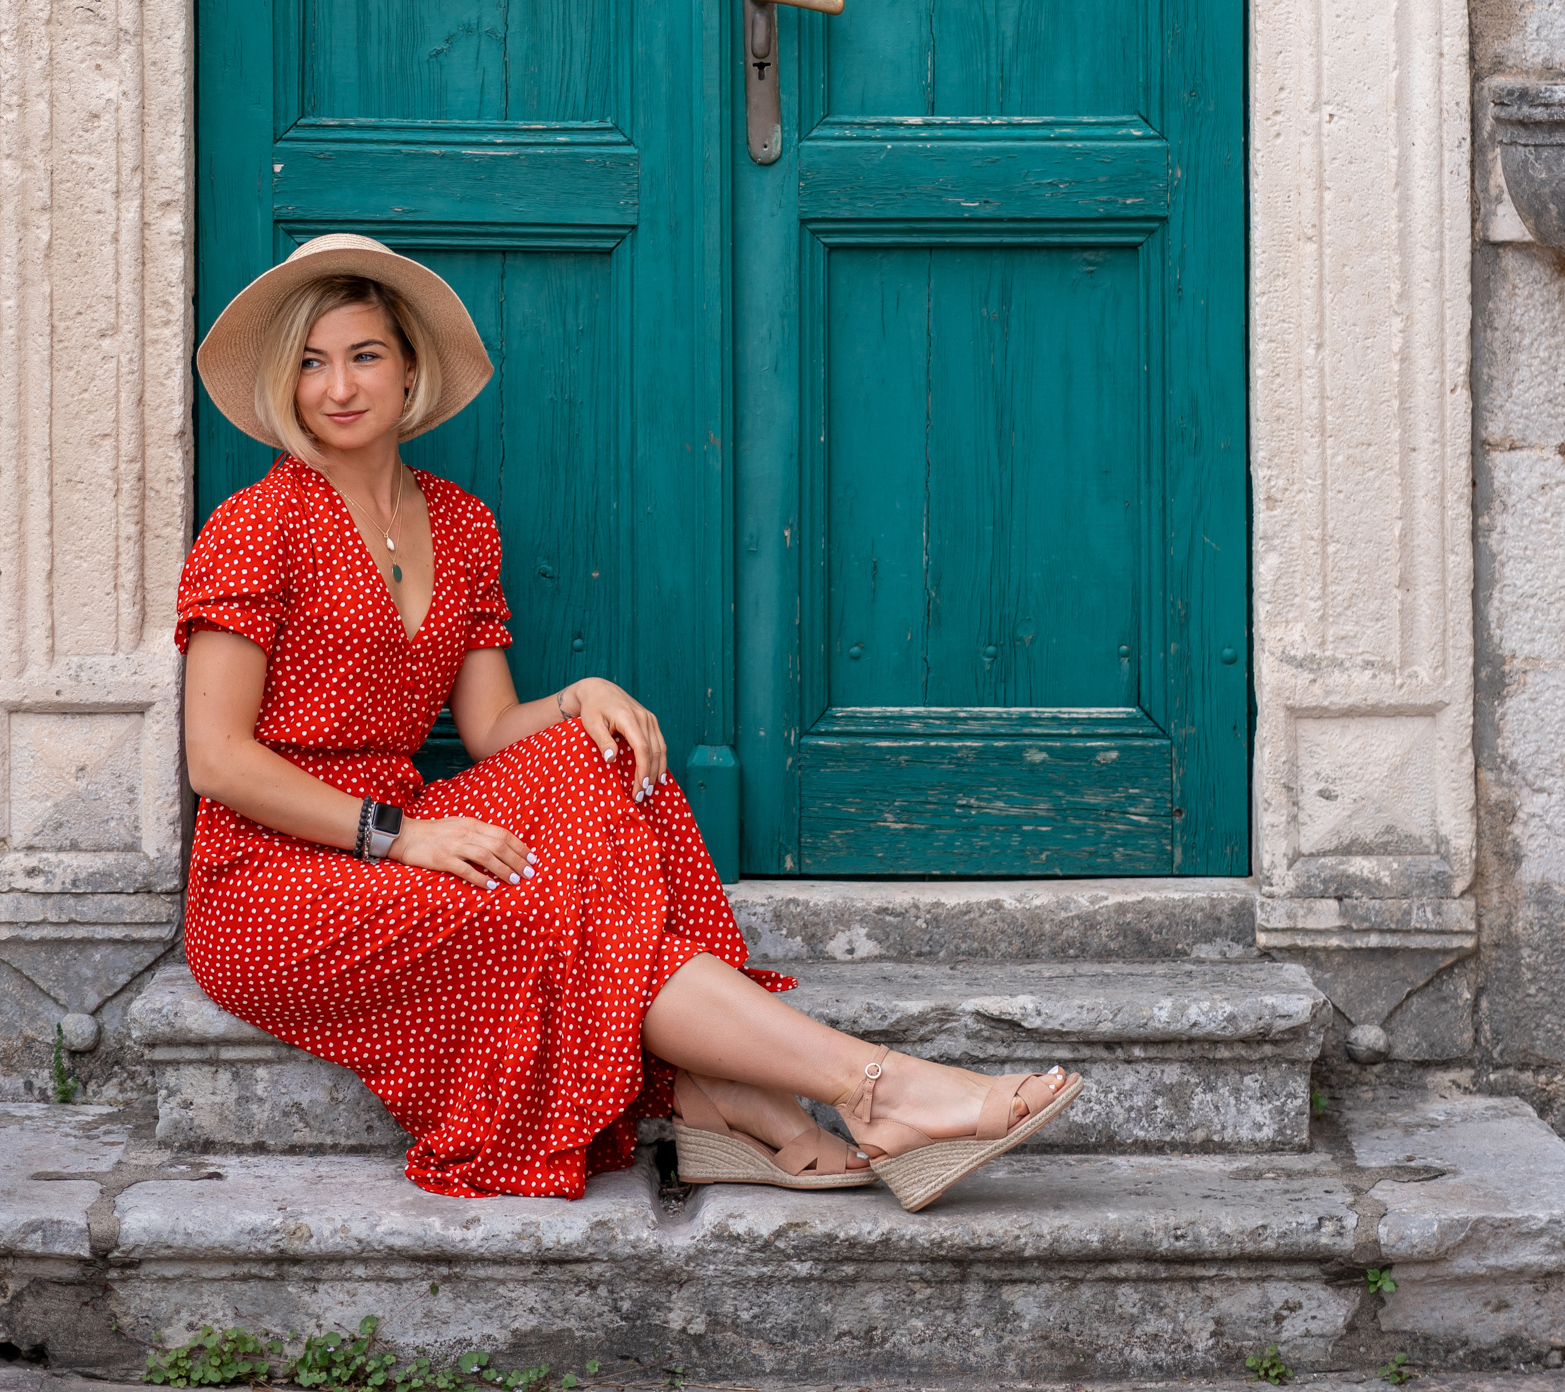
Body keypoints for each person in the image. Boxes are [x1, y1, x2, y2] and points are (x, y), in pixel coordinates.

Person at [178, 233, 1079, 1205]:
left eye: (362, 355)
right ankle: (851, 1087)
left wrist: (578, 699)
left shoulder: (461, 522)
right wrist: (399, 838)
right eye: (310, 363)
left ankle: (732, 1093)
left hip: (406, 828)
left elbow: (488, 731)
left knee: (598, 759)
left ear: (408, 371)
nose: (337, 387)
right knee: (537, 909)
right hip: (272, 880)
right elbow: (216, 760)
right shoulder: (258, 523)